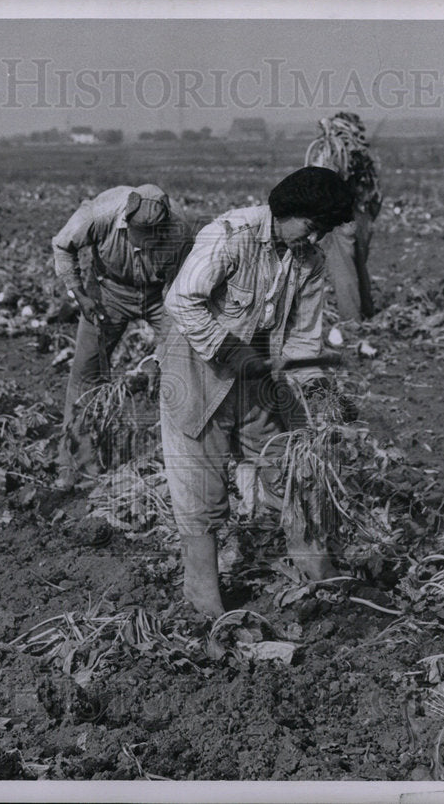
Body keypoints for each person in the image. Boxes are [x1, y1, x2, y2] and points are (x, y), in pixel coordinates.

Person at [159, 166, 355, 617]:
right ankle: (203, 595)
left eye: (324, 230)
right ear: (288, 211)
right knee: (200, 488)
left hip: (256, 373)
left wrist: (319, 391)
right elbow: (181, 300)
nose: (316, 237)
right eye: (312, 226)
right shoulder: (230, 234)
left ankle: (314, 567)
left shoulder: (309, 260)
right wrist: (231, 350)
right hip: (195, 367)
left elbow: (303, 338)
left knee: (287, 465)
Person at [52, 184, 193, 489]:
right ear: (126, 220)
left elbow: (179, 296)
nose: (143, 242)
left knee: (182, 368)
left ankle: (177, 462)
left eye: (152, 233)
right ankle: (73, 464)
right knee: (85, 376)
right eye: (138, 231)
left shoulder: (180, 232)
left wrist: (160, 355)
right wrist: (78, 293)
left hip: (159, 296)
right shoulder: (99, 214)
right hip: (107, 291)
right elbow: (63, 245)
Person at [304, 112, 383, 329]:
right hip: (363, 216)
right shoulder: (364, 156)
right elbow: (376, 194)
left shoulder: (330, 152)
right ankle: (367, 313)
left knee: (343, 272)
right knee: (359, 267)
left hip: (341, 221)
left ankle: (351, 322)